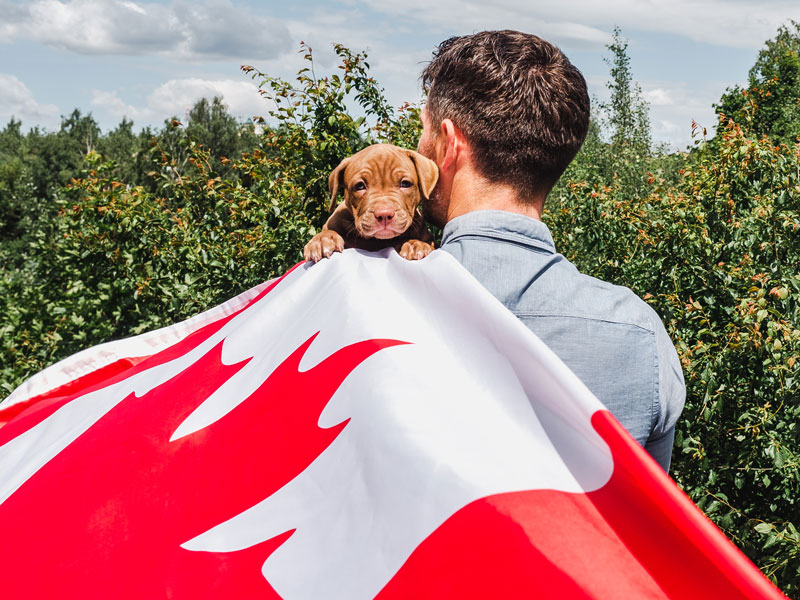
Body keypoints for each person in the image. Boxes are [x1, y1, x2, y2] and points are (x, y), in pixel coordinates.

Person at [417, 30, 685, 471]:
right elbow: (642, 518)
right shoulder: (638, 335)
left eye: (422, 134)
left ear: (449, 144)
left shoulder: (354, 295)